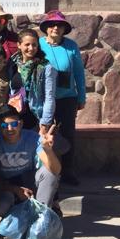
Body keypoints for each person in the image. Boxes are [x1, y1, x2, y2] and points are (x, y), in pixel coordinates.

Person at [0, 104, 64, 239]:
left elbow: (55, 170)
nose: (10, 129)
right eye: (4, 125)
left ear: (21, 123)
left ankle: (41, 218)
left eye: (14, 124)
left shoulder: (32, 138)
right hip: (7, 187)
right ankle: (19, 222)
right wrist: (15, 189)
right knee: (0, 207)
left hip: (29, 183)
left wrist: (48, 150)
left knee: (48, 173)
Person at [38, 10, 86, 185]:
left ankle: (67, 170)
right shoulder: (39, 44)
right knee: (43, 132)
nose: (55, 28)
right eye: (52, 25)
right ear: (46, 28)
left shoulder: (71, 46)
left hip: (67, 98)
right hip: (44, 98)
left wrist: (81, 96)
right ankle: (44, 169)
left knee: (67, 134)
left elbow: (79, 73)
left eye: (59, 25)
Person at [9, 28, 56, 130]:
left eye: (34, 45)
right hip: (15, 118)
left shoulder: (45, 67)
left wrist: (45, 122)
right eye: (27, 44)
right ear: (19, 45)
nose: (31, 48)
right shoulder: (12, 64)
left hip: (36, 118)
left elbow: (49, 97)